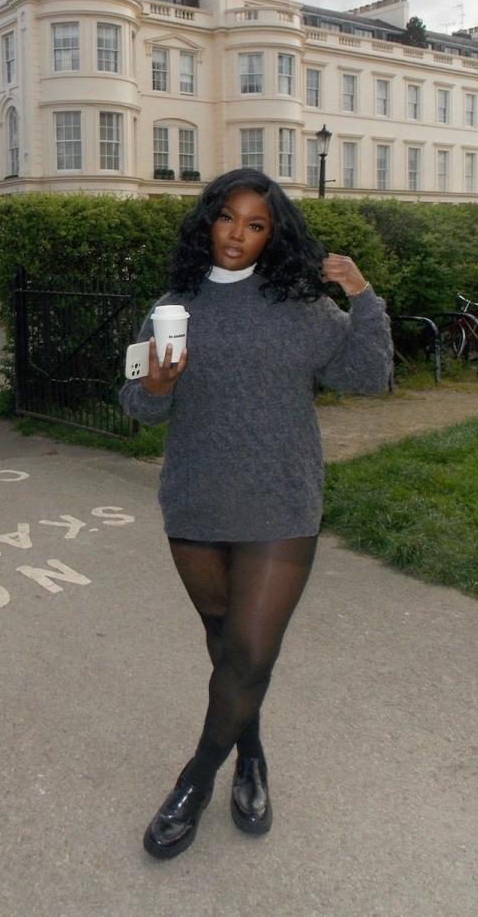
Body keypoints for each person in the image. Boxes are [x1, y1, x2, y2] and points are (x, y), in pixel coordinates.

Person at [119, 168, 392, 861]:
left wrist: (361, 296)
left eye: (256, 225)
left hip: (279, 502)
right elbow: (139, 409)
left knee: (248, 651)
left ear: (274, 236)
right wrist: (153, 385)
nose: (238, 235)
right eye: (227, 219)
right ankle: (252, 754)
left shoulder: (299, 305)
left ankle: (194, 779)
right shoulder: (172, 307)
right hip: (197, 499)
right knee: (226, 645)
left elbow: (368, 376)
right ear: (207, 221)